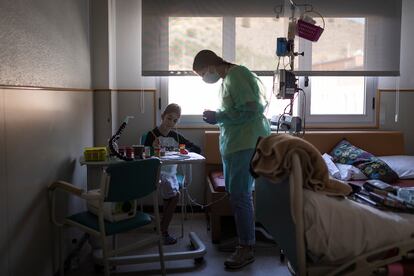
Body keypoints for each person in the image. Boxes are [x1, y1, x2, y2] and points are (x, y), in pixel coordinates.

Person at [193, 50, 271, 269]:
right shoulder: (228, 80)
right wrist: (218, 116)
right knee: (237, 195)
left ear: (209, 65)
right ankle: (245, 243)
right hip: (235, 144)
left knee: (240, 196)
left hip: (245, 144)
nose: (204, 78)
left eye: (202, 74)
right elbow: (236, 111)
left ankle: (246, 247)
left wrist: (218, 116)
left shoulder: (238, 75)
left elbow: (252, 109)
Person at [143, 103, 201, 245]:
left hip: (171, 173)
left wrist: (183, 149)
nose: (171, 123)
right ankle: (163, 231)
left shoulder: (176, 136)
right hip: (156, 172)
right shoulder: (151, 135)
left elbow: (197, 149)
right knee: (175, 196)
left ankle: (162, 227)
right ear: (163, 116)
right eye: (169, 118)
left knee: (171, 195)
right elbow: (144, 157)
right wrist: (152, 149)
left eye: (175, 121)